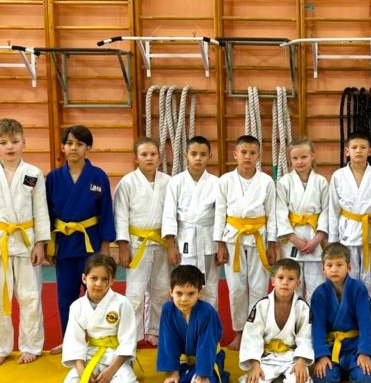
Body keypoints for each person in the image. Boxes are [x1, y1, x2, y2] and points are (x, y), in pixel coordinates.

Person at [0, 118, 50, 366]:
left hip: (27, 244)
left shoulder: (33, 174)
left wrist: (41, 243)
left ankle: (31, 345)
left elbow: (41, 210)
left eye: (15, 141)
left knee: (30, 297)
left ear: (24, 142)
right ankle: (0, 347)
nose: (10, 147)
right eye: (3, 142)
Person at [46, 125, 115, 354]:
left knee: (97, 293)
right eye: (69, 143)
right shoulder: (53, 178)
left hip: (90, 245)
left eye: (79, 144)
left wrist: (105, 246)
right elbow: (47, 214)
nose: (74, 148)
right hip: (64, 245)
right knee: (66, 297)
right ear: (62, 147)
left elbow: (106, 212)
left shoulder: (98, 176)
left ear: (88, 148)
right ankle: (70, 341)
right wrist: (49, 246)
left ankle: (100, 339)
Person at [215, 134, 277, 350]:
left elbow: (272, 214)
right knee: (236, 288)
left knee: (259, 287)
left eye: (252, 153)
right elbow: (219, 213)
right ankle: (240, 332)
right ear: (235, 155)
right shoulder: (225, 180)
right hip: (233, 238)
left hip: (259, 236)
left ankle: (256, 332)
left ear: (259, 156)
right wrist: (219, 244)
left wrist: (272, 244)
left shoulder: (267, 181)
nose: (247, 157)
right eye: (243, 152)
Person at [58, 254, 138, 383]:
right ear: (84, 279)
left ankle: (111, 379)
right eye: (94, 278)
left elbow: (128, 340)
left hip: (116, 357)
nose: (99, 284)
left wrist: (111, 371)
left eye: (105, 279)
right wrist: (82, 371)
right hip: (91, 356)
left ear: (112, 280)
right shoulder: (77, 306)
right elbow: (73, 342)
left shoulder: (122, 303)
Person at [114, 137, 171, 345]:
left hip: (161, 242)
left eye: (153, 154)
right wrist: (122, 246)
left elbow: (172, 215)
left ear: (159, 157)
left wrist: (172, 243)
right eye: (144, 154)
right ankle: (133, 334)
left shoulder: (168, 182)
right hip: (137, 244)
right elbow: (120, 215)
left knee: (161, 290)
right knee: (135, 292)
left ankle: (155, 331)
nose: (149, 158)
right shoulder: (127, 182)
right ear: (136, 158)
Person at [328, 131, 371, 325]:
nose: (358, 151)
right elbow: (333, 209)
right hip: (346, 235)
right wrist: (333, 241)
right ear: (347, 151)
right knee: (347, 279)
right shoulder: (338, 176)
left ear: (370, 151)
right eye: (354, 147)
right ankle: (348, 320)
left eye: (363, 147)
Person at [238, 258, 314, 383]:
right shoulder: (262, 306)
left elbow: (306, 336)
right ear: (273, 281)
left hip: (291, 357)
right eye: (280, 278)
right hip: (267, 357)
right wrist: (255, 365)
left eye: (291, 279)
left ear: (298, 283)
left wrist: (301, 362)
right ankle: (272, 377)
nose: (285, 282)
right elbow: (252, 336)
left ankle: (277, 378)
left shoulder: (302, 307)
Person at [163, 136, 221, 311]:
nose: (198, 158)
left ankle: (209, 324)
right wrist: (170, 246)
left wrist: (221, 245)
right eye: (194, 154)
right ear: (185, 155)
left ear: (209, 156)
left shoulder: (217, 183)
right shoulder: (176, 182)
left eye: (203, 154)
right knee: (185, 285)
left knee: (210, 287)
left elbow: (221, 216)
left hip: (209, 239)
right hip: (185, 239)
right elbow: (169, 215)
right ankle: (185, 323)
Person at [157, 264, 229, 383]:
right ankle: (189, 375)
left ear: (199, 293)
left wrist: (202, 376)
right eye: (179, 293)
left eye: (191, 294)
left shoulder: (207, 312)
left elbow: (206, 345)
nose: (184, 299)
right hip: (183, 362)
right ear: (171, 292)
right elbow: (168, 342)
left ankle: (220, 376)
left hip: (208, 361)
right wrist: (173, 372)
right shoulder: (168, 311)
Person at [310, 242, 371, 383]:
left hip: (355, 346)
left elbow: (366, 323)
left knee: (366, 378)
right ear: (323, 269)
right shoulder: (319, 294)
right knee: (323, 379)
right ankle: (339, 370)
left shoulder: (358, 289)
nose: (334, 269)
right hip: (331, 347)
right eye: (329, 265)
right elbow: (317, 328)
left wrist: (364, 352)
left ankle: (350, 367)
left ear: (349, 267)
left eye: (339, 265)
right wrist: (322, 355)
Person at [275, 137, 329, 299]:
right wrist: (293, 238)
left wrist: (318, 239)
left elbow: (326, 211)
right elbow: (280, 212)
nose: (299, 161)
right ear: (290, 160)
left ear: (312, 156)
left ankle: (315, 316)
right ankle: (294, 315)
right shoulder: (284, 182)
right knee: (292, 284)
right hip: (292, 240)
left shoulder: (321, 182)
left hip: (315, 239)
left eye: (304, 157)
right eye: (295, 158)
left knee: (316, 286)